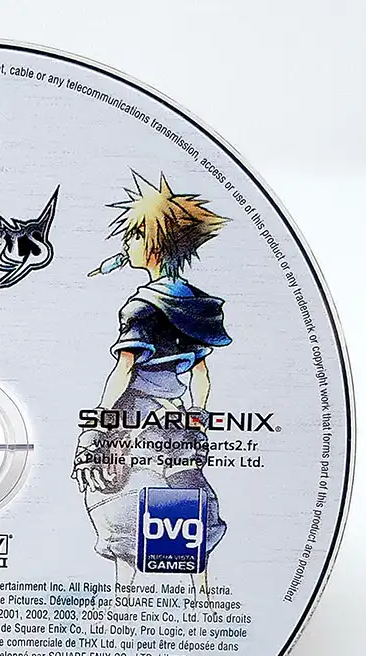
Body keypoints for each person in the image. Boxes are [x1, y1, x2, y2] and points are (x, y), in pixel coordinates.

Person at [73, 172, 231, 593]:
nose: (126, 246)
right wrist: (195, 417)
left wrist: (98, 424)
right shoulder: (194, 304)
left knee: (113, 500)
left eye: (132, 236)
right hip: (176, 419)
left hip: (134, 416)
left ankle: (124, 599)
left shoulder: (141, 308)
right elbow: (200, 374)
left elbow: (124, 370)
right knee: (190, 500)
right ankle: (203, 595)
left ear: (154, 243)